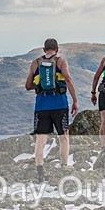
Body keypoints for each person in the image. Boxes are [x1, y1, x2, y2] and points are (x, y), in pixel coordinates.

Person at [24, 38, 79, 183]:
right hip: (59, 104)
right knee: (63, 136)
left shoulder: (36, 63)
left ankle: (40, 172)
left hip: (42, 106)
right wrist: (75, 100)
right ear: (57, 49)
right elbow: (67, 78)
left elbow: (28, 85)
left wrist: (40, 85)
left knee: (41, 139)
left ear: (44, 49)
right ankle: (63, 167)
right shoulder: (60, 61)